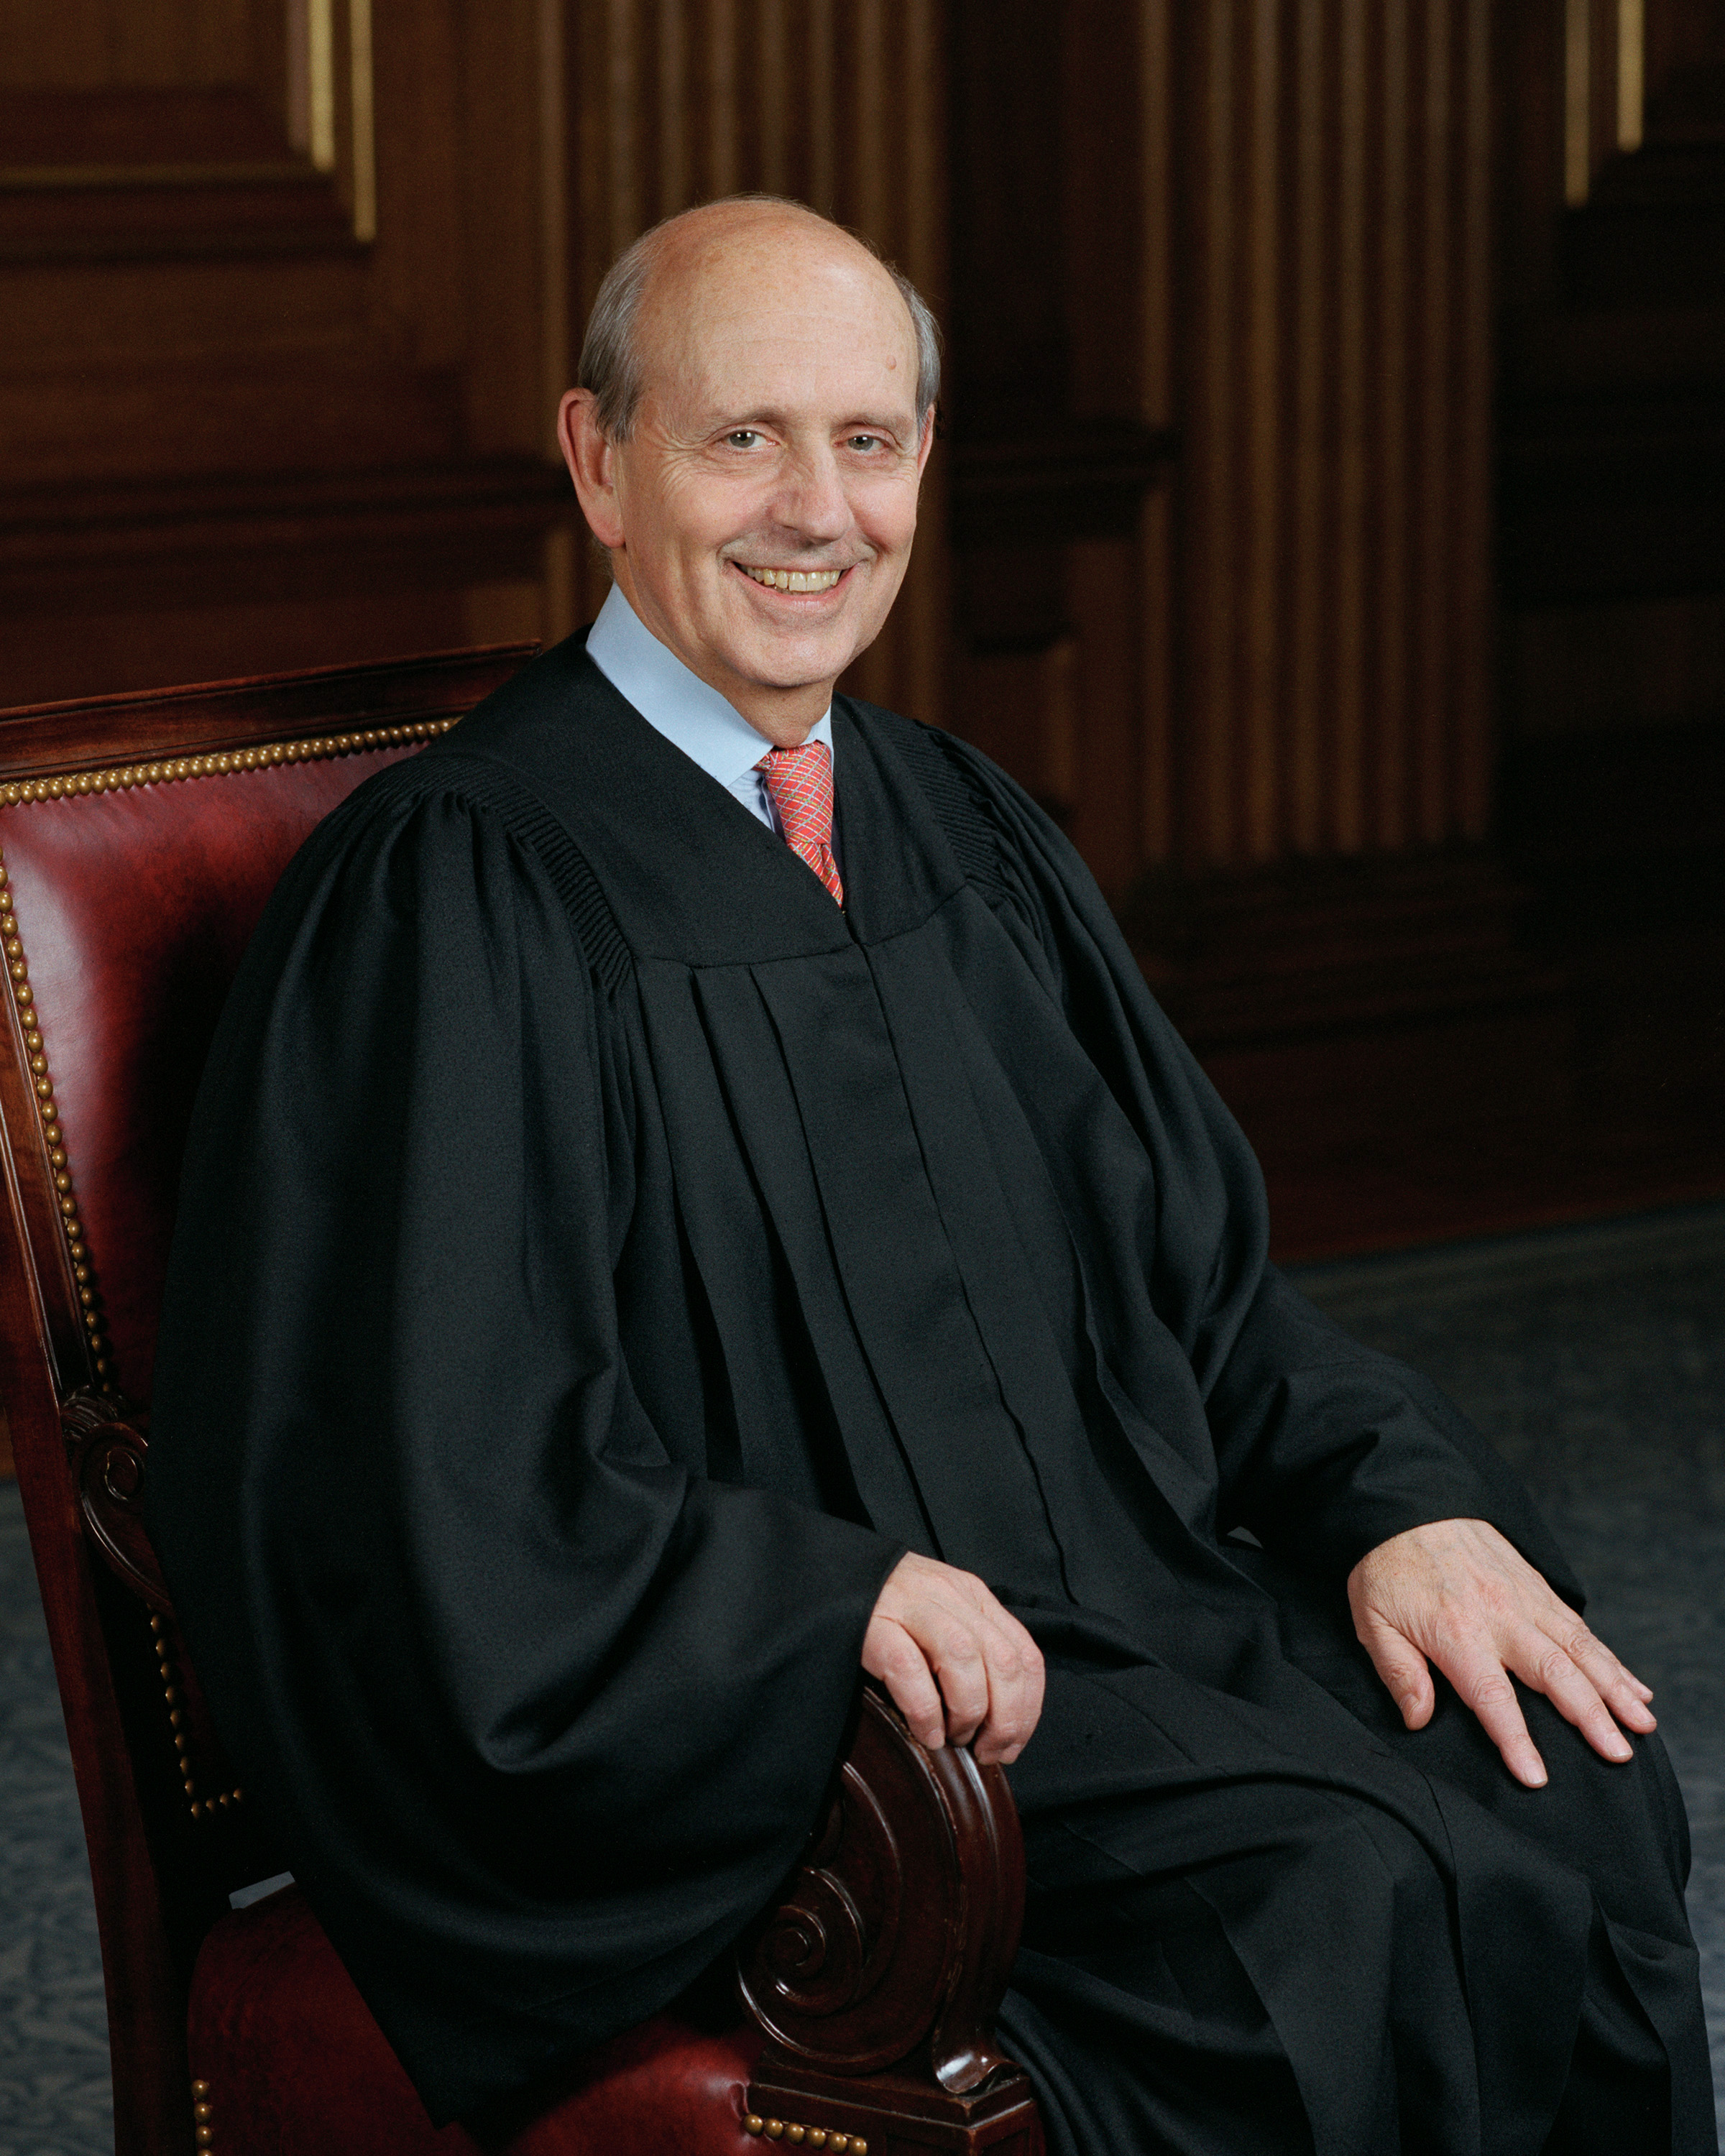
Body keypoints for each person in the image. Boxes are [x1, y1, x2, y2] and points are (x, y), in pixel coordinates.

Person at [146, 196, 1715, 2156]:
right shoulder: (462, 887)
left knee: (1572, 1782)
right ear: (597, 462)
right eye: (744, 439)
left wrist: (1392, 1503)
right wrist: (817, 1599)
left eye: (869, 442)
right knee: (1334, 1892)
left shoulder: (956, 820)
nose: (819, 509)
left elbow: (1200, 1289)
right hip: (801, 1725)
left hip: (1120, 1627)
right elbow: (422, 1452)